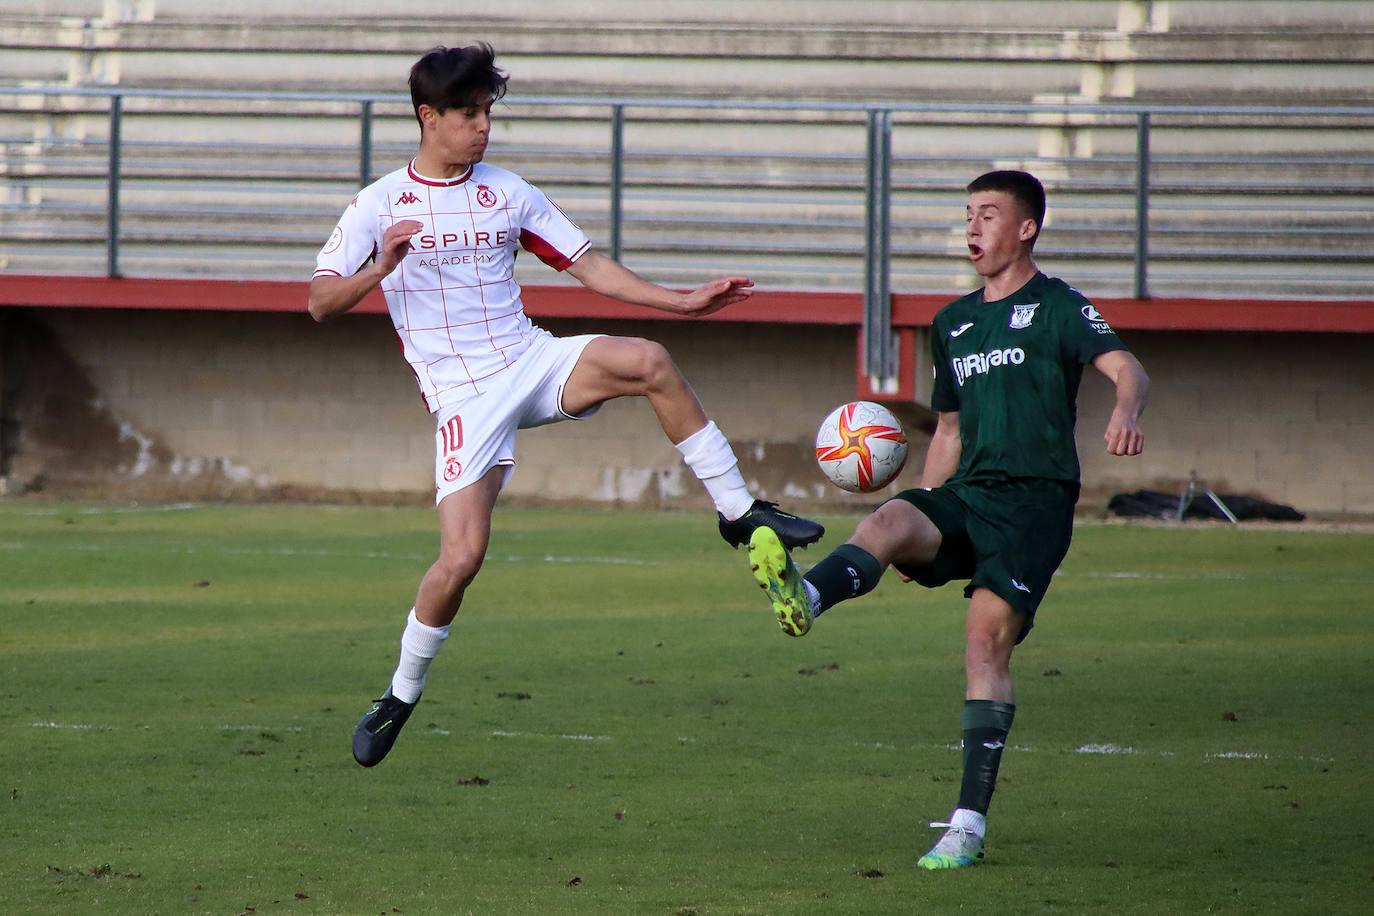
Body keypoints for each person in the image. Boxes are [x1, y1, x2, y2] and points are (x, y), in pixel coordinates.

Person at [309, 43, 824, 768]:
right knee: (461, 559)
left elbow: (587, 265)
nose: (482, 126)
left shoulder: (508, 193)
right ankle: (399, 693)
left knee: (650, 361)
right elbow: (319, 301)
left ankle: (741, 515)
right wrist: (379, 267)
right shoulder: (377, 204)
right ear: (428, 117)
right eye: (467, 113)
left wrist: (681, 302)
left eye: (488, 112)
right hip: (462, 397)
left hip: (530, 358)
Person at [747, 170, 1148, 869]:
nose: (972, 227)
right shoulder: (952, 323)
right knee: (891, 518)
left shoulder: (1058, 306)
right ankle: (805, 597)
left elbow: (1127, 366)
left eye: (988, 215)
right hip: (968, 493)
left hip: (1034, 504)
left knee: (984, 645)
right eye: (967, 215)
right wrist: (926, 513)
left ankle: (966, 826)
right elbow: (949, 432)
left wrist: (1124, 407)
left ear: (1026, 228)